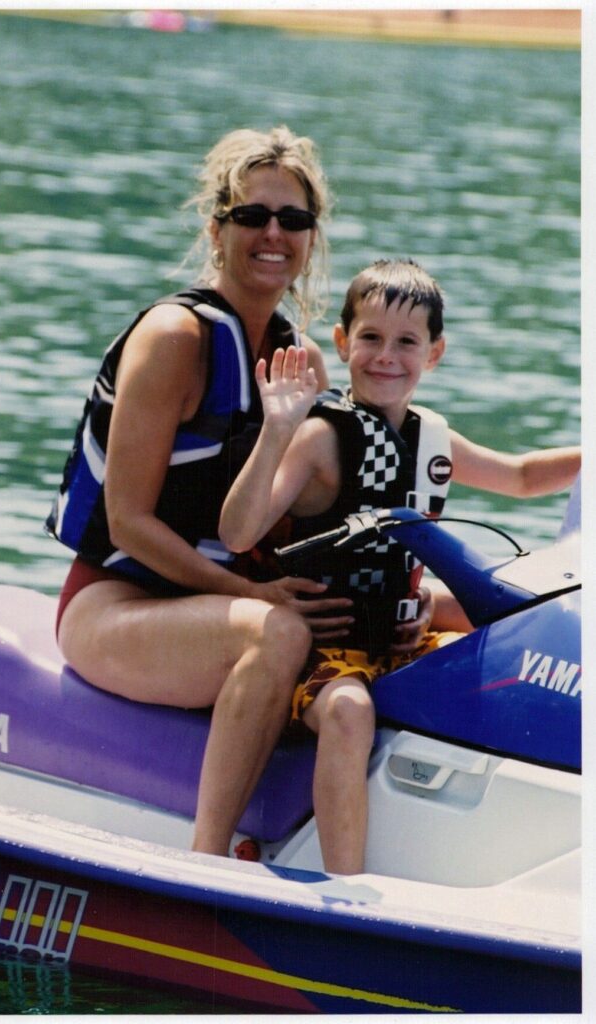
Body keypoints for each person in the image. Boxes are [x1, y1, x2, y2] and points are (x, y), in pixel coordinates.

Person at [45, 125, 357, 860]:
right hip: (113, 605)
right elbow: (127, 524)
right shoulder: (173, 338)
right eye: (253, 216)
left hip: (223, 602)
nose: (273, 234)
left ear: (312, 239)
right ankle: (208, 859)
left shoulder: (297, 359)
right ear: (217, 229)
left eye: (293, 220)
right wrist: (251, 596)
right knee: (278, 631)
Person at [219, 257, 581, 874]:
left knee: (511, 654)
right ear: (342, 343)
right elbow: (237, 531)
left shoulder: (431, 439)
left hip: (402, 639)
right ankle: (343, 884)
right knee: (351, 712)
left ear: (434, 354)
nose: (387, 356)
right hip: (328, 649)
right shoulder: (320, 437)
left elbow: (520, 477)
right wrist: (277, 429)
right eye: (371, 339)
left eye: (407, 342)